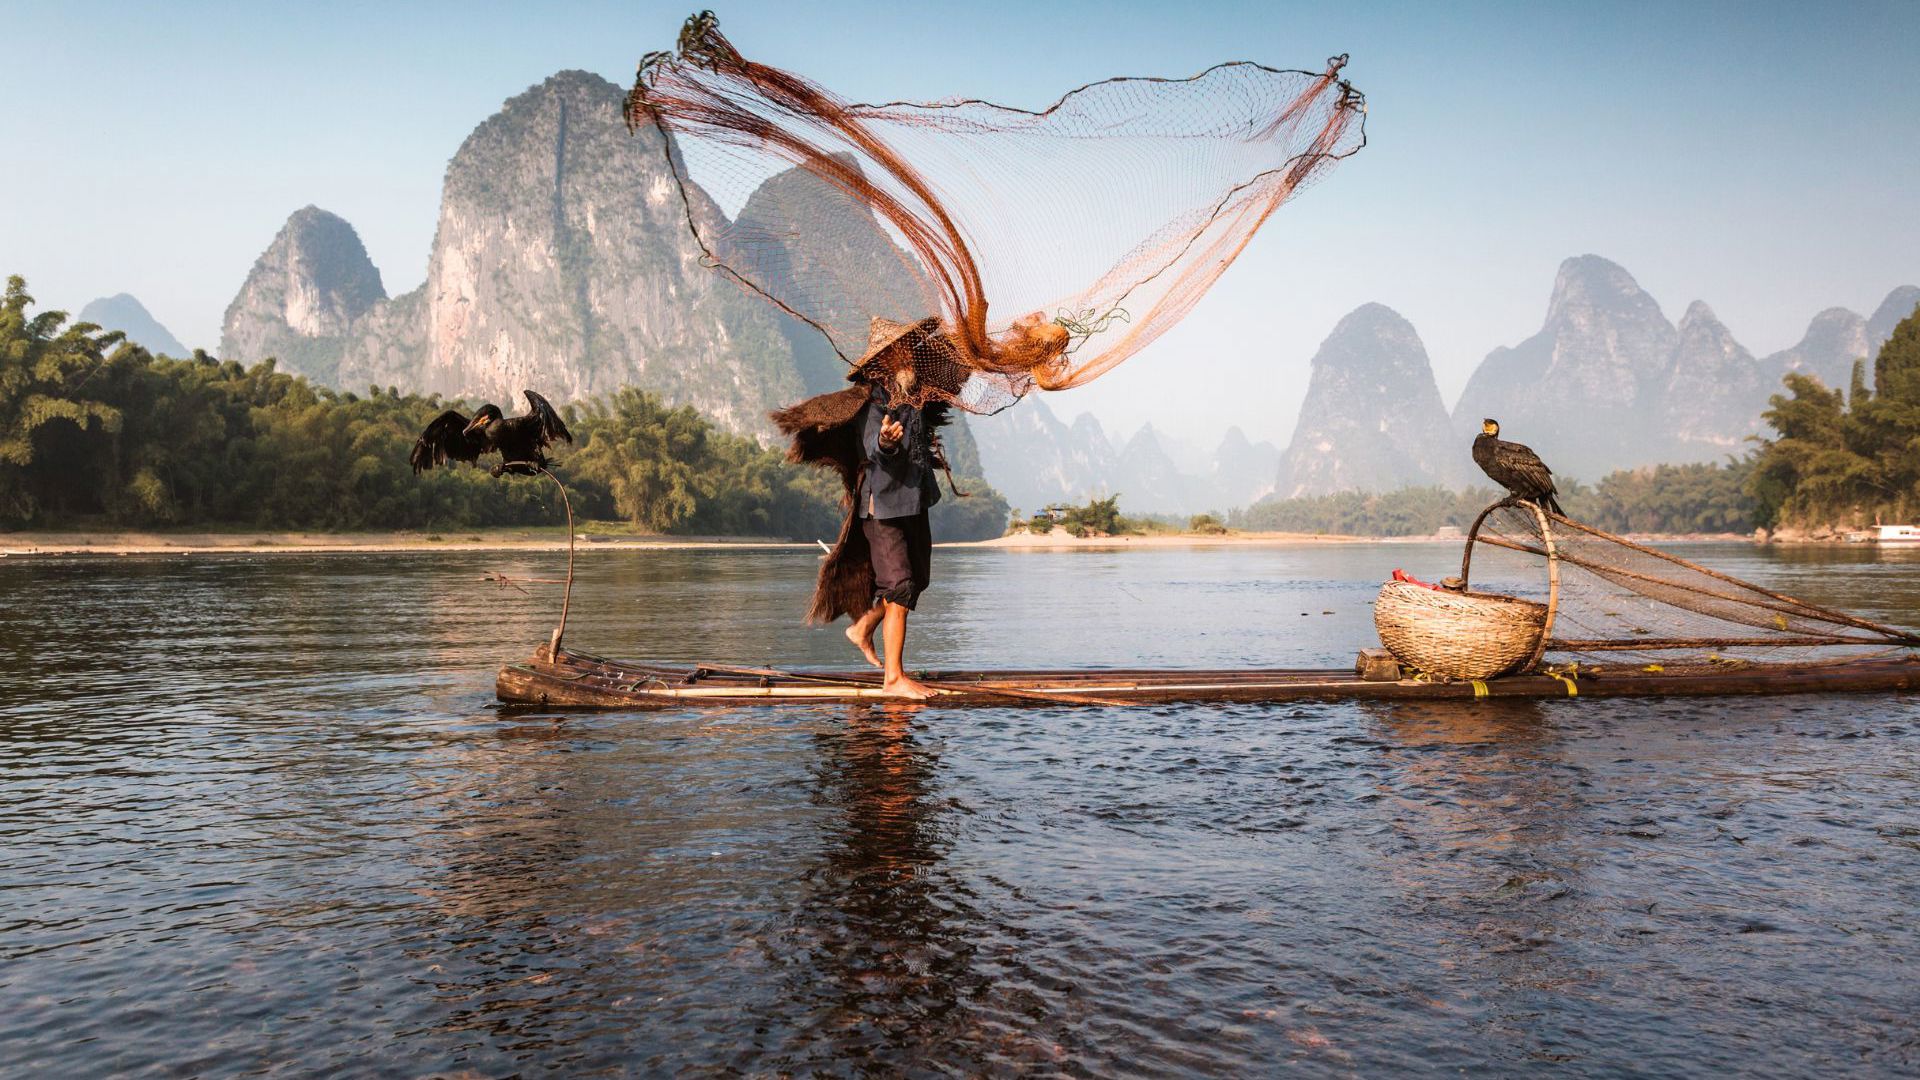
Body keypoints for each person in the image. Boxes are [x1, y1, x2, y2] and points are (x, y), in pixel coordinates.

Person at [769, 317, 964, 700]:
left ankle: (861, 630)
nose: (907, 353)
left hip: (914, 500)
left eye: (909, 346)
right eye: (899, 349)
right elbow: (877, 450)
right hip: (883, 505)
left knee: (917, 581)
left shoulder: (917, 393)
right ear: (884, 359)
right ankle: (894, 679)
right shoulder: (871, 401)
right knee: (901, 585)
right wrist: (889, 443)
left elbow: (960, 371)